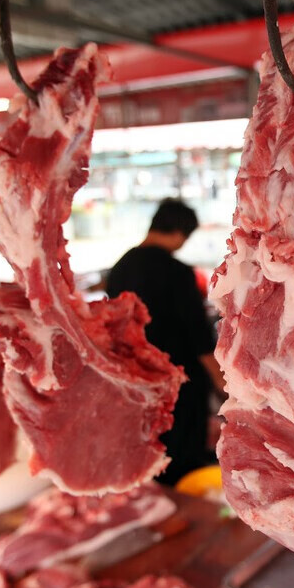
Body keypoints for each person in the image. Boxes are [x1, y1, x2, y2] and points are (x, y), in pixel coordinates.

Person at [105, 198, 226, 486]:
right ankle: (188, 509)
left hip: (139, 379)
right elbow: (198, 335)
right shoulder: (178, 272)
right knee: (184, 455)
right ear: (179, 233)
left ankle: (158, 501)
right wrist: (221, 381)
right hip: (180, 381)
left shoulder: (120, 267)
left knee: (152, 448)